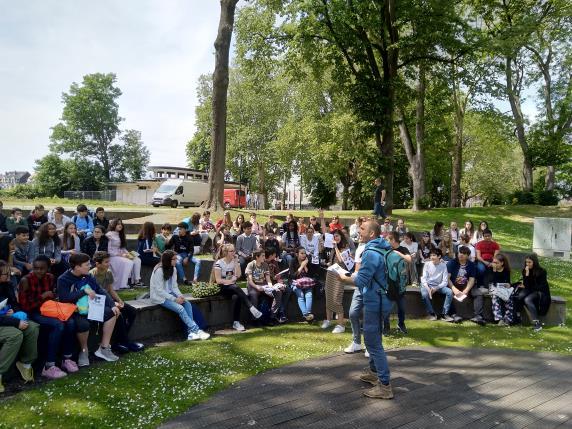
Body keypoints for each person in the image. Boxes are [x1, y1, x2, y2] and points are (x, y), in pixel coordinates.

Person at [338, 220, 393, 399]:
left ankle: (385, 386)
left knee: (372, 342)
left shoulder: (370, 253)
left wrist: (342, 278)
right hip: (383, 298)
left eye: (362, 229)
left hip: (375, 302)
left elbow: (360, 281)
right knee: (374, 338)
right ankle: (374, 373)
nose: (358, 230)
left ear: (371, 234)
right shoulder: (385, 248)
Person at [18, 256, 78, 379]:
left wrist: (53, 297)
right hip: (33, 312)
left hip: (49, 310)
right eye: (36, 268)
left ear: (48, 268)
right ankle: (49, 366)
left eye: (42, 268)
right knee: (58, 325)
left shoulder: (50, 278)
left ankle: (67, 359)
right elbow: (25, 306)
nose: (38, 271)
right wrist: (42, 296)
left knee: (70, 322)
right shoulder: (26, 280)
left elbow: (54, 296)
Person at [57, 253, 120, 365]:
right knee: (83, 325)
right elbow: (64, 299)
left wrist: (112, 305)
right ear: (77, 267)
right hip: (74, 311)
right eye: (86, 264)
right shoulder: (63, 279)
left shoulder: (88, 276)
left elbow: (100, 290)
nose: (90, 266)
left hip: (91, 307)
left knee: (111, 313)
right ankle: (84, 351)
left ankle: (104, 349)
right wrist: (83, 291)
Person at [149, 250, 210, 341]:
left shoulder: (173, 269)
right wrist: (174, 299)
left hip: (169, 294)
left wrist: (180, 296)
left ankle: (190, 333)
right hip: (159, 297)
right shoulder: (159, 270)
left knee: (187, 304)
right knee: (180, 308)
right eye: (174, 259)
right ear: (168, 260)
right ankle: (196, 330)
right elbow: (159, 291)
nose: (176, 261)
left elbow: (174, 287)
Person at [91, 251, 144, 352]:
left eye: (109, 261)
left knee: (132, 311)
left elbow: (110, 290)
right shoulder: (91, 275)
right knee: (118, 314)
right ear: (98, 264)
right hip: (97, 303)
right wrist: (112, 304)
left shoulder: (108, 272)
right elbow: (94, 296)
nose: (109, 264)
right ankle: (125, 342)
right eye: (106, 262)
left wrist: (119, 301)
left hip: (109, 300)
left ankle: (121, 340)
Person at [0, 260, 39, 392]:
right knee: (15, 334)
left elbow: (15, 304)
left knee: (33, 327)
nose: (9, 275)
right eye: (5, 273)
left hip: (8, 319)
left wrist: (14, 311)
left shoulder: (8, 285)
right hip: (4, 322)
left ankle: (26, 364)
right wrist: (15, 322)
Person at [213, 244, 262, 331]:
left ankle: (236, 322)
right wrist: (230, 281)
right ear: (226, 252)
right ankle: (251, 307)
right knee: (235, 287)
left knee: (237, 296)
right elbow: (218, 280)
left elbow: (239, 275)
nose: (234, 253)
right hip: (222, 288)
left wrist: (236, 262)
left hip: (233, 288)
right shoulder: (219, 263)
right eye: (231, 251)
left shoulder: (235, 261)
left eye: (234, 251)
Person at [323, 229, 353, 334]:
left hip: (340, 275)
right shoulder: (332, 247)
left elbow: (341, 261)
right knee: (328, 297)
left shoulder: (346, 247)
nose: (336, 238)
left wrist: (336, 247)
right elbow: (324, 233)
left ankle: (341, 325)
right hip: (330, 273)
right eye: (334, 236)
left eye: (337, 236)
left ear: (341, 236)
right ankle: (328, 319)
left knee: (336, 298)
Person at [383, 232, 412, 334]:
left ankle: (401, 324)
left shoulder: (403, 249)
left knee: (402, 308)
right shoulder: (386, 250)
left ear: (393, 240)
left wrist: (397, 253)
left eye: (388, 240)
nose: (386, 242)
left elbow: (409, 259)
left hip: (400, 284)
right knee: (386, 309)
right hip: (388, 283)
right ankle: (386, 326)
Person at [514, 254, 551, 332]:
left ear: (534, 262)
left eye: (529, 262)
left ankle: (537, 323)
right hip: (530, 289)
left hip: (541, 291)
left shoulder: (542, 271)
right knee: (520, 296)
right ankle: (517, 317)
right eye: (526, 262)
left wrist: (528, 287)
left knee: (527, 299)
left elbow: (542, 286)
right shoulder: (525, 271)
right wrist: (527, 275)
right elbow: (526, 285)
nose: (527, 264)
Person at [246, 249, 284, 324]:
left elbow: (268, 279)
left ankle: (272, 316)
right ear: (257, 257)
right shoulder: (251, 264)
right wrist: (256, 287)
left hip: (263, 285)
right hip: (253, 285)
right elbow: (250, 280)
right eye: (262, 256)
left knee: (278, 292)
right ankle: (254, 319)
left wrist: (271, 286)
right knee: (253, 295)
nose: (264, 257)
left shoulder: (265, 265)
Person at [344, 237, 366, 355]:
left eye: (362, 230)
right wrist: (351, 276)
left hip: (372, 287)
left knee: (369, 317)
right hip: (359, 286)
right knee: (353, 313)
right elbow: (357, 268)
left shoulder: (377, 248)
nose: (359, 233)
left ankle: (369, 346)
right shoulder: (360, 248)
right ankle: (357, 343)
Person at [106, 218, 142, 290]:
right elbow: (109, 251)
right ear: (113, 225)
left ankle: (136, 281)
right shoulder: (109, 235)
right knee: (129, 262)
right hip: (113, 257)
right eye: (118, 224)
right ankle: (123, 284)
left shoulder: (121, 234)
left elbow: (122, 248)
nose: (120, 225)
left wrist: (129, 254)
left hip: (121, 255)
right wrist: (122, 255)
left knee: (137, 260)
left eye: (121, 224)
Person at [420, 248, 453, 321]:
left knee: (449, 292)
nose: (432, 257)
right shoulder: (427, 264)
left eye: (434, 255)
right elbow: (424, 278)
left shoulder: (443, 265)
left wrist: (436, 288)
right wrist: (428, 288)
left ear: (439, 256)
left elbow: (445, 281)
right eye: (431, 255)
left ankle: (444, 314)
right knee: (424, 294)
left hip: (438, 286)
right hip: (427, 285)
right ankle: (431, 314)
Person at [446, 246, 476, 322]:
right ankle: (453, 314)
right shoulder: (451, 263)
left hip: (464, 286)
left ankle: (474, 316)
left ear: (468, 256)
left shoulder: (471, 265)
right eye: (460, 253)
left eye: (464, 254)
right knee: (451, 293)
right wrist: (454, 289)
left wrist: (466, 290)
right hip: (452, 285)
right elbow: (447, 278)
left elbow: (472, 279)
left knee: (471, 295)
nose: (461, 255)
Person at [289, 248, 317, 322]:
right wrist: (301, 266)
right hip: (295, 283)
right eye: (301, 253)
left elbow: (311, 275)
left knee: (309, 294)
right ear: (297, 254)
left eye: (304, 253)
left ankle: (307, 315)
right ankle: (307, 315)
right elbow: (293, 276)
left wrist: (305, 266)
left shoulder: (308, 261)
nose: (304, 255)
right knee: (300, 295)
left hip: (307, 283)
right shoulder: (292, 261)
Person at [489, 253, 514, 326]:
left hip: (503, 289)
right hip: (493, 288)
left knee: (510, 297)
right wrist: (494, 271)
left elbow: (508, 282)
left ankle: (508, 319)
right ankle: (499, 319)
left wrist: (508, 284)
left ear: (502, 263)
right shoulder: (491, 269)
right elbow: (491, 282)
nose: (495, 264)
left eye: (497, 263)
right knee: (495, 297)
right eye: (493, 262)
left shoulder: (506, 270)